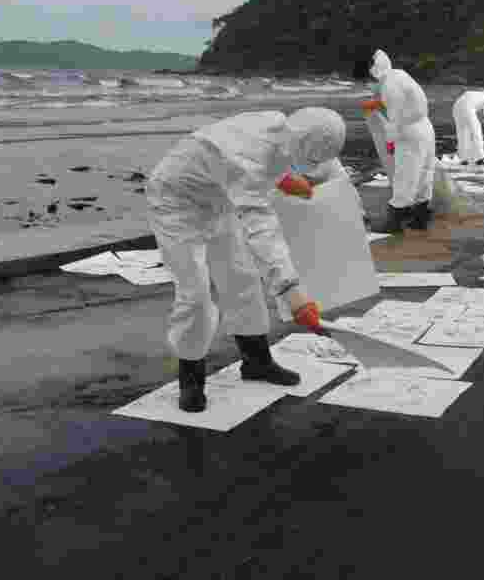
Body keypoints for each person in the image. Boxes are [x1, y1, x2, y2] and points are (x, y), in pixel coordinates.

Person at [145, 108, 345, 412]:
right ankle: (191, 377)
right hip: (176, 203)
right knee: (195, 294)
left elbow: (272, 159)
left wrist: (287, 180)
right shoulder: (247, 163)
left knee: (243, 278)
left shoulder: (284, 126)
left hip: (219, 197)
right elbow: (263, 231)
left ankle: (256, 362)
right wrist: (295, 299)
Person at [364, 49, 436, 232]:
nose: (370, 84)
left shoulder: (389, 86)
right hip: (425, 128)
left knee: (404, 175)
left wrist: (389, 143)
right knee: (424, 173)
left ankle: (394, 222)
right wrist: (379, 104)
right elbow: (408, 103)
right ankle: (421, 218)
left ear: (374, 71)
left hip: (409, 132)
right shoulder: (399, 75)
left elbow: (395, 121)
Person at [452, 86, 484, 165]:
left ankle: (463, 158)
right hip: (467, 108)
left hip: (456, 107)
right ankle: (480, 157)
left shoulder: (477, 94)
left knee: (463, 133)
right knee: (477, 131)